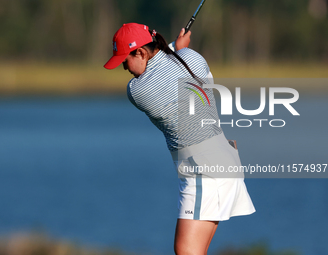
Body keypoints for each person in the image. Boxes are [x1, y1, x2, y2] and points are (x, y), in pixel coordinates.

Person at [104, 23, 255, 255]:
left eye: (125, 59)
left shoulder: (137, 90)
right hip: (222, 158)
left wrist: (176, 48)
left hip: (204, 169)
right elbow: (178, 70)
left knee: (186, 251)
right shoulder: (191, 57)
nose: (124, 67)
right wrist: (177, 50)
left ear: (141, 52)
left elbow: (161, 74)